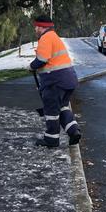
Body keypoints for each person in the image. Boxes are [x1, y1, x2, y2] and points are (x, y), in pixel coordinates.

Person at [29, 15, 81, 147]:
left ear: (42, 27)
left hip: (55, 82)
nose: (35, 29)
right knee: (62, 107)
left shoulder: (45, 38)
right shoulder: (54, 36)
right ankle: (73, 131)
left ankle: (51, 139)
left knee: (51, 111)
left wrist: (31, 66)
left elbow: (42, 59)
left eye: (36, 26)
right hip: (68, 80)